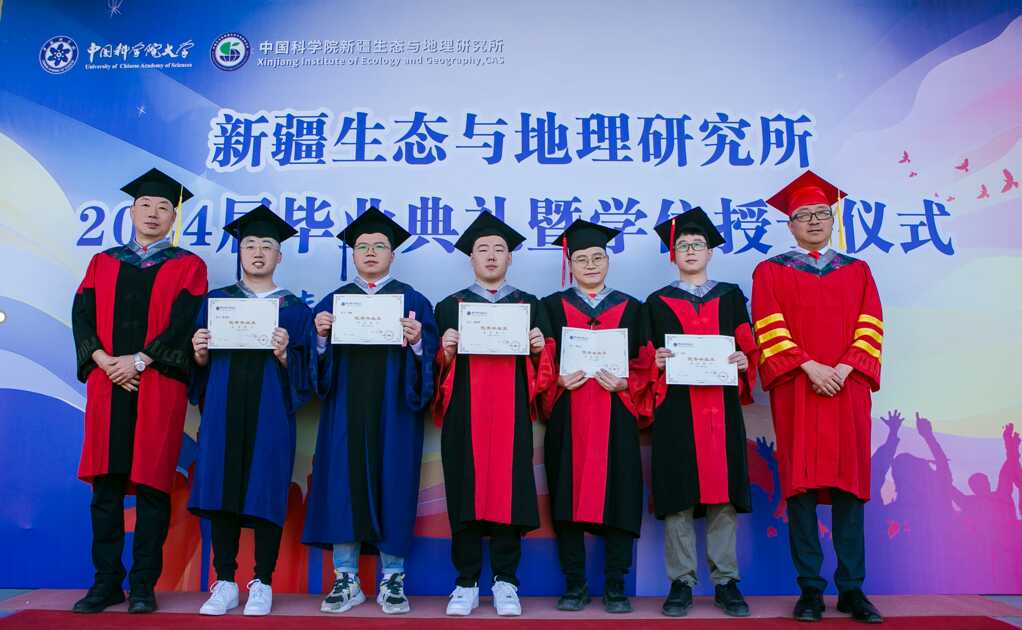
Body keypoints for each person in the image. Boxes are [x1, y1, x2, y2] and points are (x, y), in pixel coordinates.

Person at [71, 168, 207, 614]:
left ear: (173, 217)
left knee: (152, 485)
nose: (153, 213)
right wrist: (103, 360)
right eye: (145, 205)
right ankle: (106, 582)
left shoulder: (189, 265)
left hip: (158, 385)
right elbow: (82, 315)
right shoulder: (103, 262)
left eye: (163, 207)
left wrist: (140, 360)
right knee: (106, 485)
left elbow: (184, 323)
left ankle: (144, 585)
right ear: (131, 212)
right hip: (107, 382)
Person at [752, 170, 884, 623]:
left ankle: (852, 589)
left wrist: (844, 368)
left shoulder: (858, 270)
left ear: (833, 220)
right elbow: (768, 325)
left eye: (821, 213)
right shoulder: (771, 271)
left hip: (848, 389)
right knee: (801, 488)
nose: (813, 221)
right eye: (803, 215)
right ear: (789, 224)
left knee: (850, 488)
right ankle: (810, 589)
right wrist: (810, 366)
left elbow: (871, 324)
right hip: (798, 389)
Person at [302, 208, 438, 615]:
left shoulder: (413, 301)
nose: (371, 252)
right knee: (343, 485)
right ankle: (346, 579)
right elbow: (315, 370)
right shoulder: (334, 302)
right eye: (363, 246)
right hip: (345, 410)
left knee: (393, 483)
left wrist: (418, 343)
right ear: (353, 254)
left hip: (395, 413)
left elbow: (429, 360)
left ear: (393, 254)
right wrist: (320, 338)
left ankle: (392, 579)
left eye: (380, 246)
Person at [189, 205, 316, 616]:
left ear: (280, 255)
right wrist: (200, 354)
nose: (258, 252)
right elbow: (197, 369)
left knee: (266, 488)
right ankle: (224, 580)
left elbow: (309, 374)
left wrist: (286, 355)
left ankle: (262, 581)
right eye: (250, 245)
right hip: (223, 410)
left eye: (266, 245)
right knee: (221, 488)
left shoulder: (295, 310)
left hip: (270, 413)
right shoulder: (217, 303)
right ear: (239, 252)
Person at [432, 211, 555, 617]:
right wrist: (445, 352)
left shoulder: (530, 305)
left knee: (509, 492)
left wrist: (539, 350)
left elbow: (546, 371)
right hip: (464, 415)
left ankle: (506, 581)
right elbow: (434, 370)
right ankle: (465, 582)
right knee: (464, 489)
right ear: (470, 257)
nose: (490, 256)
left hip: (510, 414)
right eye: (482, 249)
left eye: (498, 249)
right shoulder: (449, 307)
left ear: (510, 257)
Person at [641, 207, 756, 618]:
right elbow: (644, 356)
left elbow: (747, 344)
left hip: (720, 408)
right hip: (676, 409)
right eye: (682, 245)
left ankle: (726, 581)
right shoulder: (656, 302)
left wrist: (744, 360)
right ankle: (681, 582)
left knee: (723, 495)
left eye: (697, 244)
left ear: (710, 252)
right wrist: (654, 361)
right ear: (673, 254)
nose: (690, 250)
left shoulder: (731, 296)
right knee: (679, 495)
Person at [539, 220, 646, 613]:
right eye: (581, 258)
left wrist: (626, 383)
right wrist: (556, 379)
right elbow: (540, 362)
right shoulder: (550, 306)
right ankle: (575, 583)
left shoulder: (634, 308)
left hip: (617, 414)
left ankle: (616, 584)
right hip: (568, 415)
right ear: (569, 264)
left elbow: (647, 364)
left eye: (597, 257)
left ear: (608, 261)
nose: (589, 264)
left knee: (621, 494)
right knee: (566, 495)